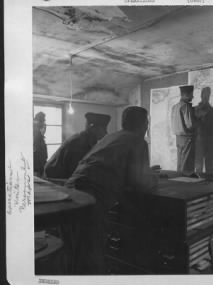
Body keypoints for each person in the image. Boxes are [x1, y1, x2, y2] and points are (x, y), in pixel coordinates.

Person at [64, 106, 160, 274]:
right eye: (147, 123)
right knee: (92, 255)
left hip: (69, 192)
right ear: (143, 124)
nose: (147, 127)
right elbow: (140, 183)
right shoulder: (138, 141)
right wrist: (153, 177)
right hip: (91, 198)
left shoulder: (111, 137)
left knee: (74, 252)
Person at [44, 113, 111, 179]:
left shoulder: (85, 139)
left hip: (61, 176)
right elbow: (76, 171)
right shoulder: (79, 143)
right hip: (55, 179)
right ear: (93, 128)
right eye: (103, 129)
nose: (106, 133)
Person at [194, 87, 213, 176]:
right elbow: (191, 127)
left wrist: (211, 128)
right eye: (205, 94)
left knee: (210, 171)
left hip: (210, 143)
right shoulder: (195, 110)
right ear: (201, 95)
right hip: (199, 143)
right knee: (198, 171)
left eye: (208, 94)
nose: (206, 96)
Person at [171, 85, 198, 177]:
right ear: (187, 95)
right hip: (187, 137)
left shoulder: (175, 106)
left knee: (181, 161)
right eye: (191, 95)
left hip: (178, 138)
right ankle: (186, 182)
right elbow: (190, 125)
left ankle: (179, 179)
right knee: (187, 164)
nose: (192, 97)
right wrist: (198, 119)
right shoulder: (186, 106)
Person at [33, 112, 48, 177]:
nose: (44, 123)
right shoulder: (35, 132)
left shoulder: (38, 132)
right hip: (37, 161)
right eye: (43, 120)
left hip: (41, 160)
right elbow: (36, 150)